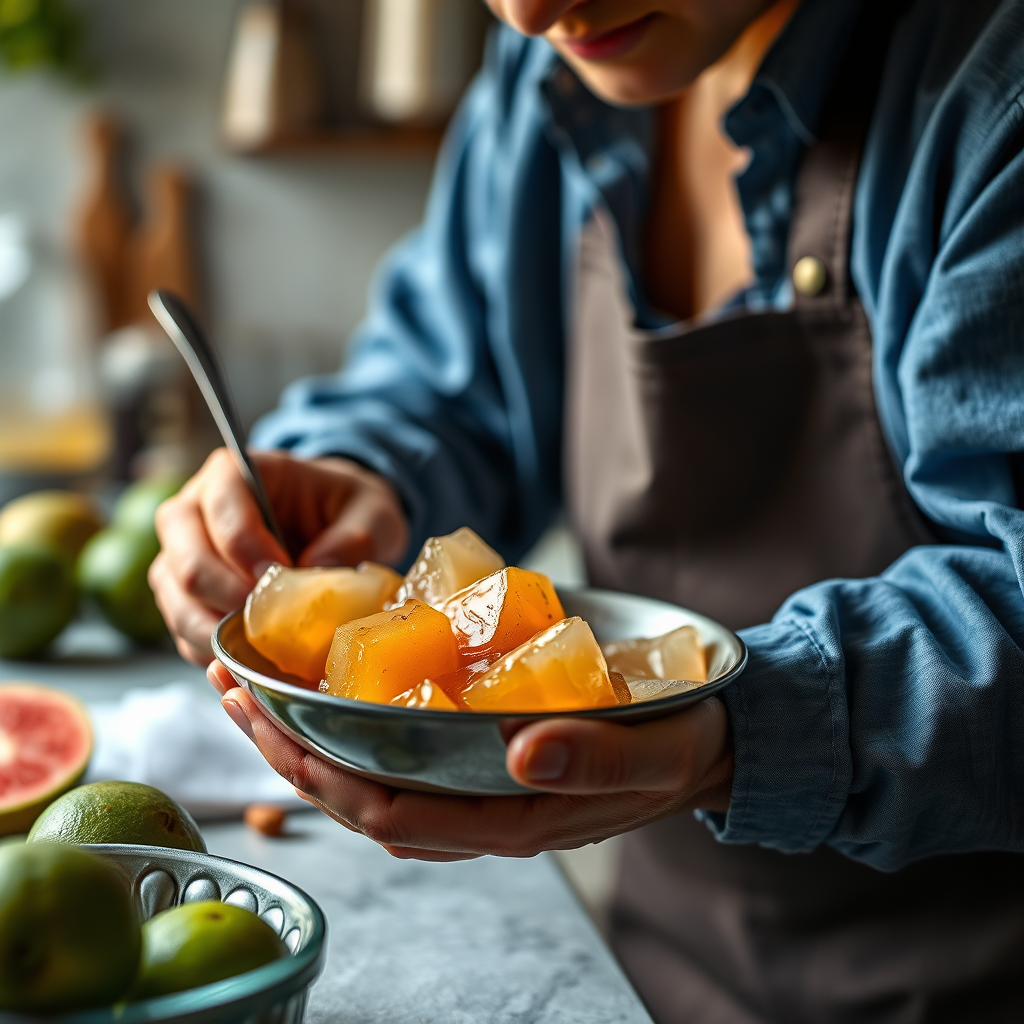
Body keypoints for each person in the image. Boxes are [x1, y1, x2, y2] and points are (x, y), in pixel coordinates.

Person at [150, 0, 1024, 1020]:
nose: (527, 11)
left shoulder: (991, 98)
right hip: (644, 977)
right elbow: (454, 386)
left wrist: (743, 727)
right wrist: (359, 475)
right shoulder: (545, 83)